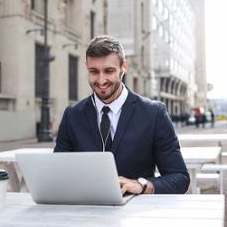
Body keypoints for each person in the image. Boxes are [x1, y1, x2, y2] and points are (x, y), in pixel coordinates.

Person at [54, 35, 189, 194]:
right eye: (94, 71)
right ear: (86, 67)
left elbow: (179, 178)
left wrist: (141, 185)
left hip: (135, 212)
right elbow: (58, 172)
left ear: (123, 67)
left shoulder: (154, 113)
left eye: (109, 71)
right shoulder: (72, 115)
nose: (101, 80)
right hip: (85, 209)